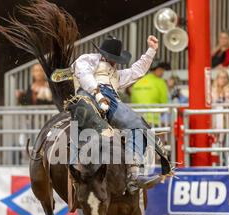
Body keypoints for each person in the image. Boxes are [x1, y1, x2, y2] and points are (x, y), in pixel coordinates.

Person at [71, 35, 172, 192]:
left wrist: (151, 51)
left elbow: (136, 71)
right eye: (112, 58)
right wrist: (98, 95)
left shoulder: (117, 75)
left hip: (110, 101)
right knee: (135, 124)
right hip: (89, 97)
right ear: (104, 55)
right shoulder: (89, 59)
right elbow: (84, 74)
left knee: (138, 126)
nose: (113, 62)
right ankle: (76, 161)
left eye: (115, 59)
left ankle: (134, 175)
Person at [130, 59, 171, 126]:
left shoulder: (138, 81)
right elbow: (164, 103)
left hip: (138, 119)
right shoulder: (160, 82)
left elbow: (133, 99)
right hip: (153, 120)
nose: (163, 72)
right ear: (158, 70)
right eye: (162, 70)